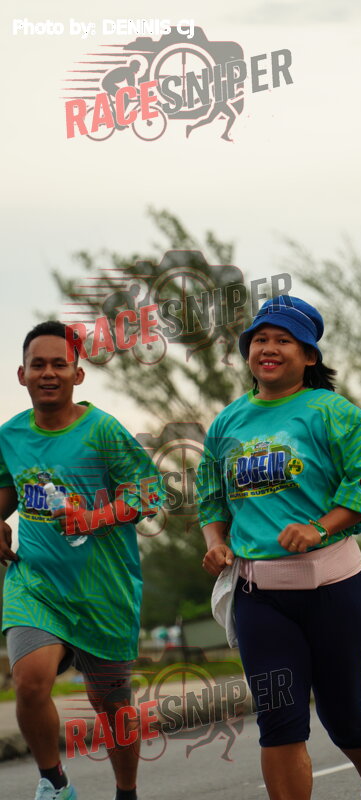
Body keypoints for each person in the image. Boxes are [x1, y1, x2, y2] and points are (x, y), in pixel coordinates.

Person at [196, 296, 361, 800]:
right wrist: (216, 543)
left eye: (283, 340)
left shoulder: (334, 414)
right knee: (279, 720)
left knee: (343, 714)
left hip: (335, 588)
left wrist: (319, 528)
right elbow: (210, 496)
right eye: (259, 340)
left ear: (308, 356)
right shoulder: (227, 423)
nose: (268, 348)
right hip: (260, 598)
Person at [0, 321, 165, 800]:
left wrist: (94, 517)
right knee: (30, 683)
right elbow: (6, 492)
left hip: (102, 588)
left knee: (110, 703)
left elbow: (149, 493)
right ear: (21, 375)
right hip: (36, 583)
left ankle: (126, 792)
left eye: (59, 364)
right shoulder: (10, 436)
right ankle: (55, 784)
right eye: (38, 365)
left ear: (78, 374)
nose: (48, 373)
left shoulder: (102, 430)